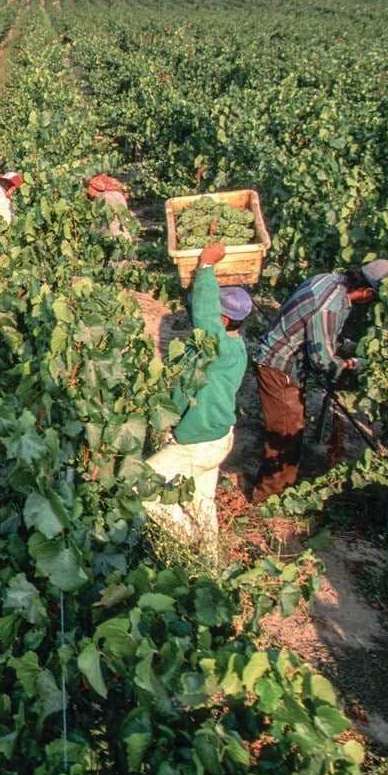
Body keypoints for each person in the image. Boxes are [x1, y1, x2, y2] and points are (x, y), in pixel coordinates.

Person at [143, 242, 252, 569]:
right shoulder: (233, 347)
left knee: (142, 489)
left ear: (222, 319)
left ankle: (187, 537)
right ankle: (211, 559)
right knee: (202, 499)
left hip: (199, 441)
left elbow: (205, 313)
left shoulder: (219, 346)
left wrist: (205, 266)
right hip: (217, 438)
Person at [251, 258, 388, 502]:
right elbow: (322, 360)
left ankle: (279, 486)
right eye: (374, 298)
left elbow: (322, 336)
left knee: (289, 425)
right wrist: (353, 366)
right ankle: (268, 499)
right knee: (286, 432)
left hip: (280, 357)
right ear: (368, 292)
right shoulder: (331, 307)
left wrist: (350, 347)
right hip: (279, 366)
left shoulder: (329, 279)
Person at [86, 173, 134, 240]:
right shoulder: (117, 194)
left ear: (96, 186)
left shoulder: (106, 196)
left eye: (89, 187)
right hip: (123, 237)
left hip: (113, 237)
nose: (87, 193)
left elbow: (108, 221)